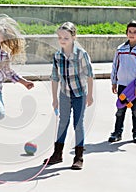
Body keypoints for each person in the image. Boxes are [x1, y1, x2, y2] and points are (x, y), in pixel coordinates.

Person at [43, 22, 94, 170]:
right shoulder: (58, 55)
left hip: (79, 94)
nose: (62, 40)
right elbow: (54, 77)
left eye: (65, 37)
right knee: (62, 123)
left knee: (78, 124)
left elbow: (90, 75)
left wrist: (89, 95)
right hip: (64, 93)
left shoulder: (81, 54)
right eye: (59, 37)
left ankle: (78, 157)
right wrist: (54, 99)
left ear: (73, 37)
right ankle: (57, 154)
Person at [109, 20, 136, 144]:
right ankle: (117, 132)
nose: (132, 34)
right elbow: (115, 65)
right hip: (122, 86)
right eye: (129, 31)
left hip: (134, 87)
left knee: (135, 110)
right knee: (120, 109)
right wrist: (114, 81)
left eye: (135, 32)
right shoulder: (120, 49)